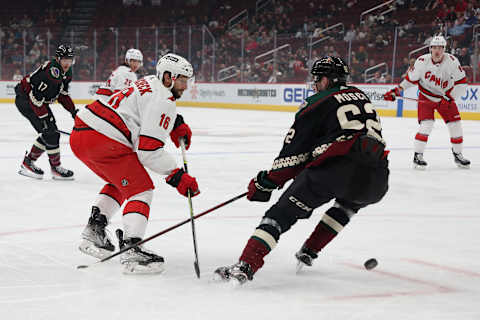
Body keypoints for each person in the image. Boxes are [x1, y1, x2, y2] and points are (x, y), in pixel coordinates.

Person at [214, 57, 390, 285]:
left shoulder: (318, 102)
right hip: (377, 177)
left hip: (336, 171)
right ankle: (310, 250)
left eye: (317, 79)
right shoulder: (360, 95)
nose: (315, 84)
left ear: (327, 80)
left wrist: (265, 183)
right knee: (348, 204)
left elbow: (292, 156)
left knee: (279, 216)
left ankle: (245, 266)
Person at [70, 53, 200, 274]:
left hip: (82, 133)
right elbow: (148, 151)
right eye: (182, 80)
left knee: (124, 181)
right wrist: (177, 176)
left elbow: (139, 106)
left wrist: (175, 122)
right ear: (168, 77)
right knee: (142, 189)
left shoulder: (149, 80)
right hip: (104, 139)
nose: (185, 86)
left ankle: (95, 231)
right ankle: (132, 247)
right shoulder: (164, 100)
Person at [383, 35, 470, 169]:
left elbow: (462, 83)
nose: (437, 51)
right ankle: (418, 155)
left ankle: (458, 154)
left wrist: (448, 98)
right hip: (426, 97)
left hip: (445, 98)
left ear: (444, 49)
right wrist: (397, 91)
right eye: (434, 47)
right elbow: (410, 80)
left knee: (456, 125)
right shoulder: (422, 61)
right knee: (426, 125)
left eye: (440, 48)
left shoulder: (452, 61)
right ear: (430, 49)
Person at [16, 44, 77, 180]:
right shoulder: (51, 72)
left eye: (70, 59)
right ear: (58, 59)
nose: (68, 63)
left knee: (50, 132)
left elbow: (62, 95)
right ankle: (55, 168)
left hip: (37, 101)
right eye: (65, 59)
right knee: (50, 132)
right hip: (26, 100)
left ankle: (29, 162)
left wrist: (73, 112)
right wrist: (44, 118)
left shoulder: (67, 72)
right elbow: (35, 97)